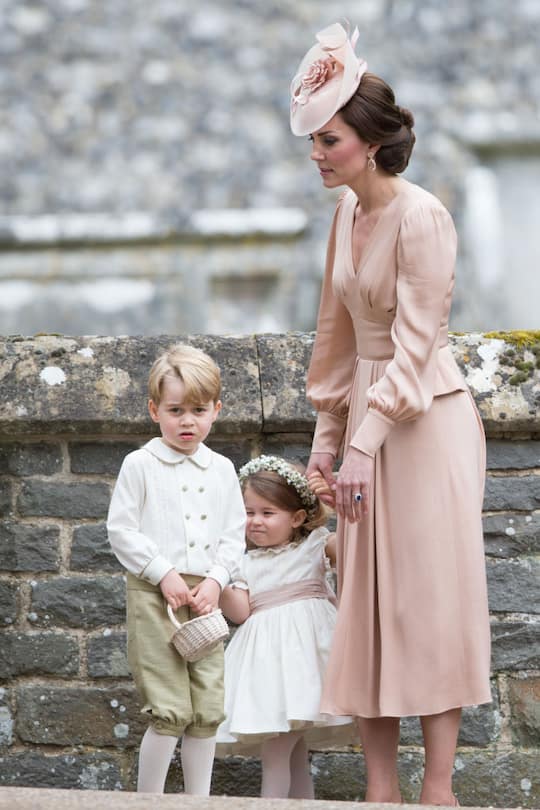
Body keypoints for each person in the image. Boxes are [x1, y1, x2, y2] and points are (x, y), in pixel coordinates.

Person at [289, 22, 491, 806]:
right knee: (366, 604)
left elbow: (413, 350)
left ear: (367, 142)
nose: (316, 155)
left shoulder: (423, 217)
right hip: (370, 430)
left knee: (429, 600)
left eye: (328, 140)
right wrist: (324, 446)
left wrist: (364, 446)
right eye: (312, 141)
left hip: (426, 423)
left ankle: (437, 789)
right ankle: (382, 792)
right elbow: (334, 348)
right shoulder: (344, 216)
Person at [107, 343, 246, 795]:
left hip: (206, 599)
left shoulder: (223, 469)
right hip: (155, 596)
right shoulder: (140, 465)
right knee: (169, 706)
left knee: (206, 704)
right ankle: (149, 801)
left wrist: (216, 580)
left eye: (199, 410)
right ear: (154, 410)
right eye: (176, 409)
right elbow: (122, 530)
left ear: (216, 410)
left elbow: (233, 533)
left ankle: (197, 801)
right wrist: (163, 573)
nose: (188, 420)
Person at [215, 455, 355, 799]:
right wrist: (215, 580)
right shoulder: (244, 561)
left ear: (297, 517)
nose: (256, 522)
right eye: (248, 513)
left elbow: (353, 551)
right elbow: (240, 612)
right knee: (290, 756)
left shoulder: (316, 545)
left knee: (279, 753)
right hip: (267, 668)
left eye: (267, 513)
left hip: (307, 661)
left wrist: (341, 508)